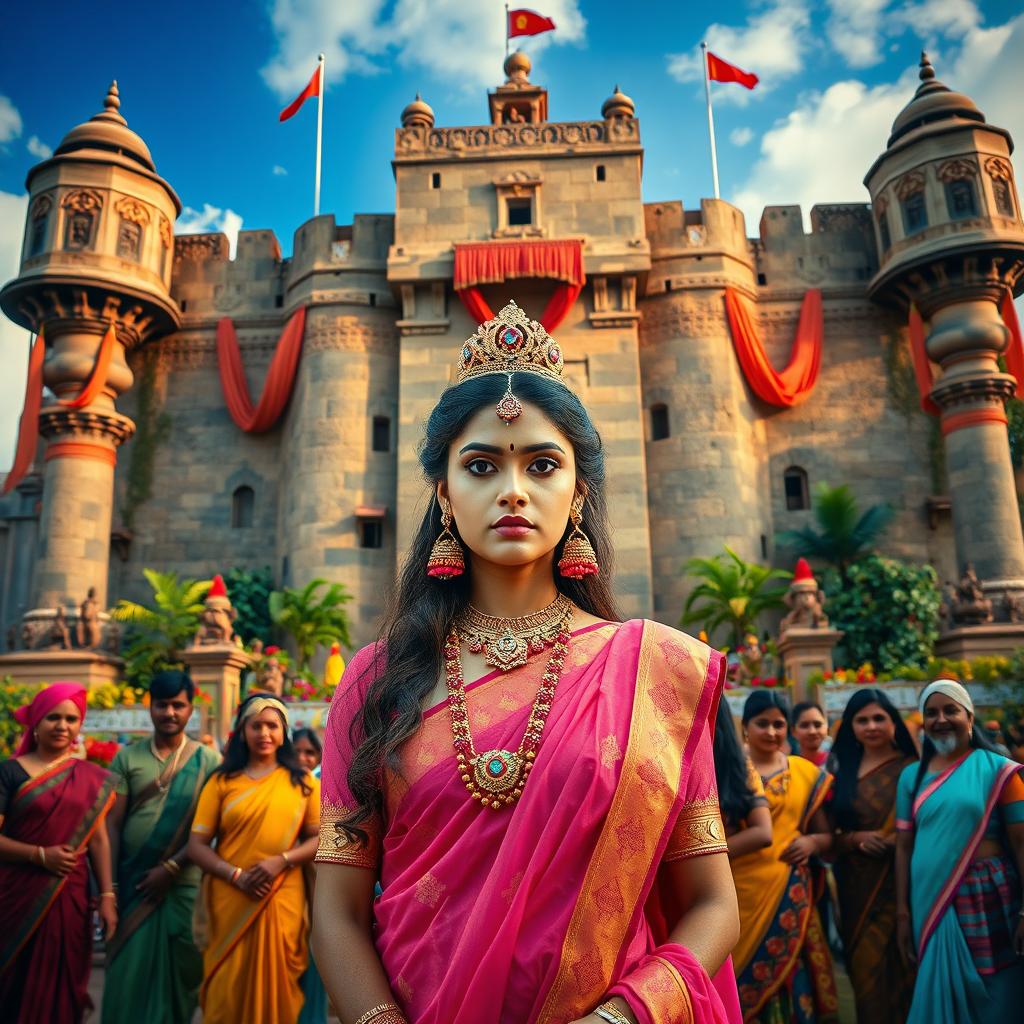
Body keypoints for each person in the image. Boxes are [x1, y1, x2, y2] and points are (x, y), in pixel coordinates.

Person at [311, 302, 740, 1024]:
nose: (512, 489)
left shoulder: (653, 669)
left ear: (578, 492)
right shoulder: (377, 680)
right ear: (445, 494)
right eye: (481, 466)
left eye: (543, 464)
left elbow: (712, 904)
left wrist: (622, 1017)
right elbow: (337, 910)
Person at [187, 694, 320, 1023]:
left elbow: (322, 839)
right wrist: (235, 875)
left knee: (278, 989)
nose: (264, 733)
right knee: (224, 989)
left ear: (283, 731)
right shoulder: (221, 782)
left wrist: (282, 860)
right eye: (256, 725)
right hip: (229, 895)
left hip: (280, 896)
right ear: (242, 730)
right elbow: (196, 845)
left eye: (272, 726)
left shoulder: (303, 783)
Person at [896, 679, 1024, 1023]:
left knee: (997, 985)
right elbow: (904, 848)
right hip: (930, 902)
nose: (941, 719)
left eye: (950, 710)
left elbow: (1021, 842)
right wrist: (902, 913)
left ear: (969, 717)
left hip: (988, 895)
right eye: (931, 712)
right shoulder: (911, 777)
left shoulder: (1000, 772)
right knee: (943, 987)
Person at [101, 669, 222, 1024]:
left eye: (178, 706)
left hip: (185, 885)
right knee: (126, 977)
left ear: (190, 710)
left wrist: (171, 868)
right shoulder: (126, 758)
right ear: (149, 707)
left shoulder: (209, 761)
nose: (170, 713)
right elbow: (110, 826)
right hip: (133, 882)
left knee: (182, 975)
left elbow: (210, 831)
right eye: (162, 705)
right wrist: (108, 891)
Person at [0, 681, 117, 1023]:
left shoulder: (91, 776)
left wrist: (107, 895)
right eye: (53, 717)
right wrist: (40, 855)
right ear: (36, 722)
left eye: (71, 719)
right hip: (15, 895)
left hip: (71, 897)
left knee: (63, 983)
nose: (62, 726)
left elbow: (97, 840)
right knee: (13, 984)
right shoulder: (9, 773)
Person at [732, 690, 839, 1022]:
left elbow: (827, 835)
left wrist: (812, 844)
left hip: (789, 892)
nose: (772, 732)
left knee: (794, 977)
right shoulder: (728, 767)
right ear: (745, 727)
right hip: (737, 892)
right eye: (762, 724)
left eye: (779, 724)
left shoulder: (804, 772)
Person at [829, 688, 918, 1023]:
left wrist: (897, 840)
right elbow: (831, 836)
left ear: (894, 722)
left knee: (905, 969)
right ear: (850, 726)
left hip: (903, 887)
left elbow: (930, 824)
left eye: (879, 718)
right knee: (865, 977)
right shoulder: (843, 771)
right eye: (862, 719)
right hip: (855, 890)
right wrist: (854, 839)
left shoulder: (912, 769)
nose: (871, 726)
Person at [292, 726, 327, 1024]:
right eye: (297, 752)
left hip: (317, 881)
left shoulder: (322, 781)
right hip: (286, 888)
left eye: (310, 753)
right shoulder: (285, 784)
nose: (303, 758)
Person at [792, 701, 829, 767]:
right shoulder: (788, 767)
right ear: (793, 731)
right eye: (804, 725)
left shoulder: (838, 764)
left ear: (827, 727)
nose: (812, 731)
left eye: (817, 725)